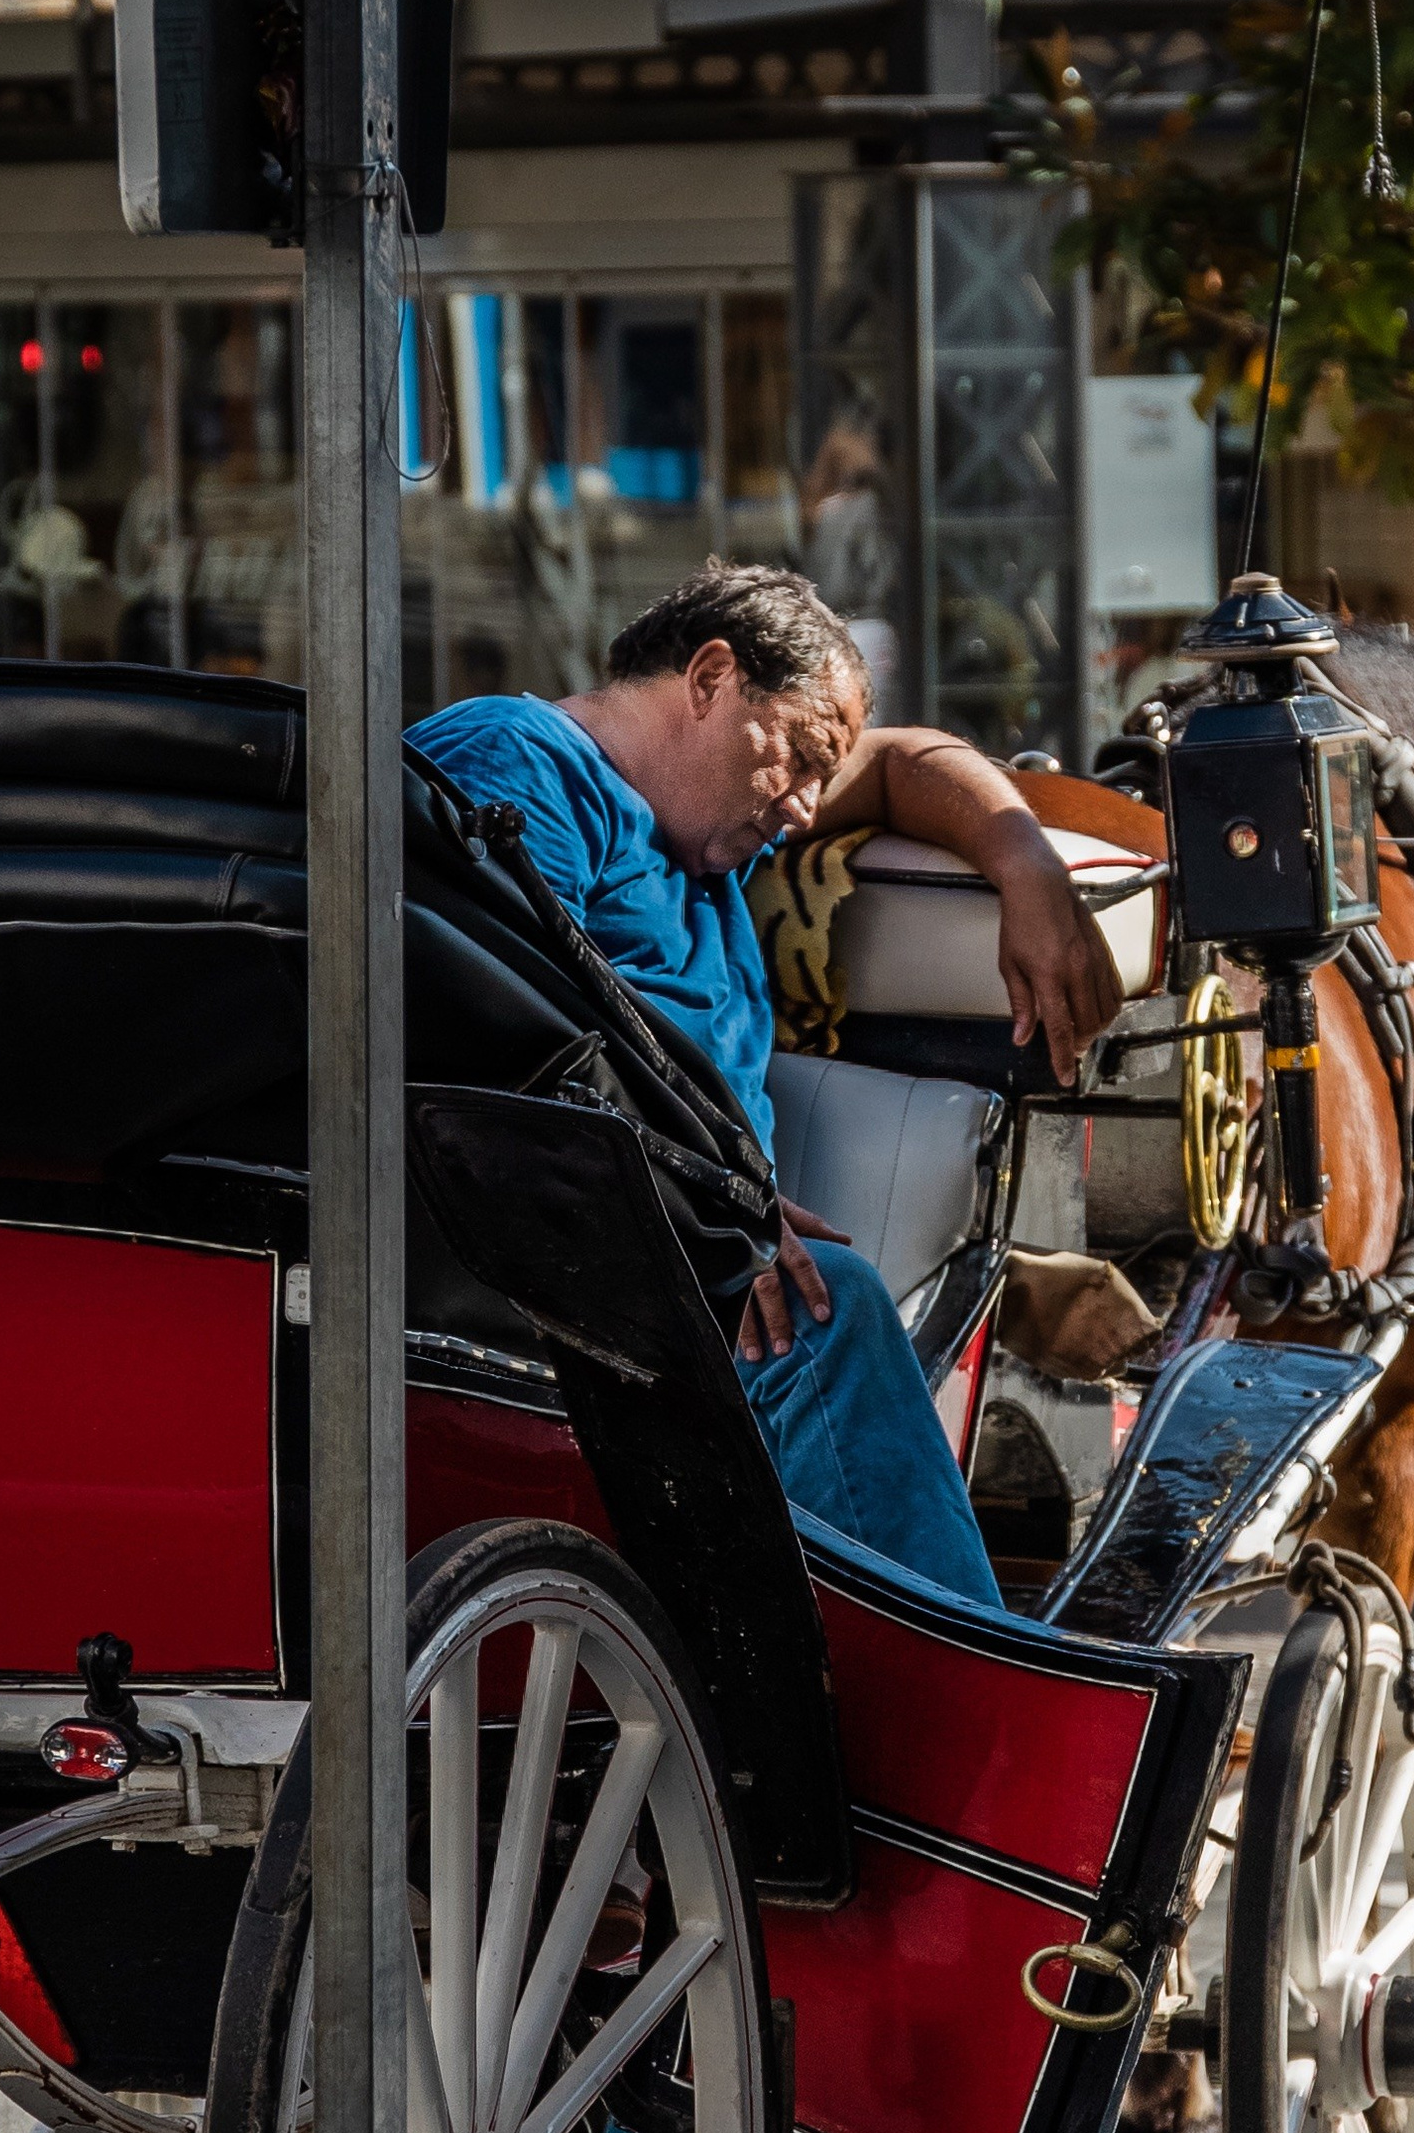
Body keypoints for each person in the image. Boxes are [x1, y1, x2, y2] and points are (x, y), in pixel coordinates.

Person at [409, 561, 1123, 1608]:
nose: (804, 808)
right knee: (829, 1316)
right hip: (565, 1287)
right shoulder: (519, 762)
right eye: (799, 756)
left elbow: (900, 764)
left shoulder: (701, 834)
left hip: (669, 1264)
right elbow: (488, 1036)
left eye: (818, 776)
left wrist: (1026, 865)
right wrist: (704, 1212)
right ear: (710, 678)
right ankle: (963, 1685)